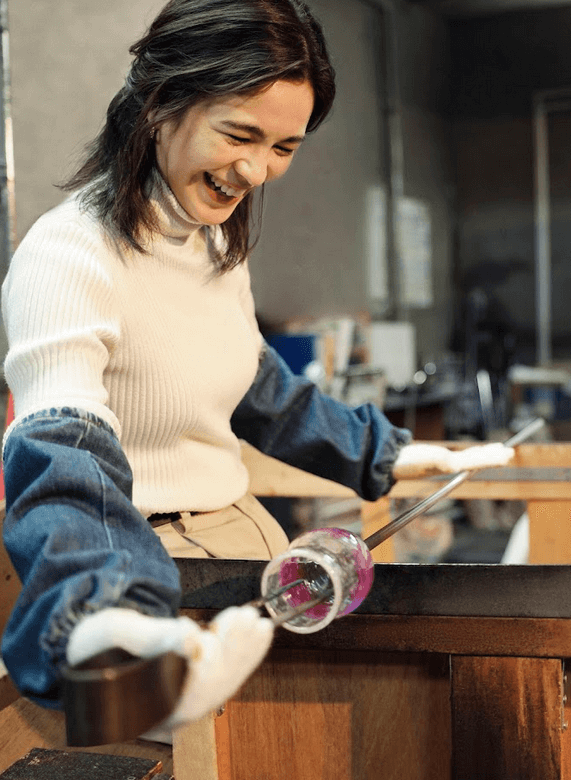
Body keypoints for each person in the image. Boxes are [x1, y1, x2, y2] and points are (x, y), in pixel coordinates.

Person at [0, 0, 513, 731]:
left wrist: (388, 452)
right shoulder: (69, 256)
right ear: (159, 102)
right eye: (239, 134)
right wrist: (104, 617)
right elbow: (62, 453)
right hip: (147, 577)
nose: (256, 170)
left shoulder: (211, 242)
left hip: (244, 559)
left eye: (284, 146)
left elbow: (257, 386)